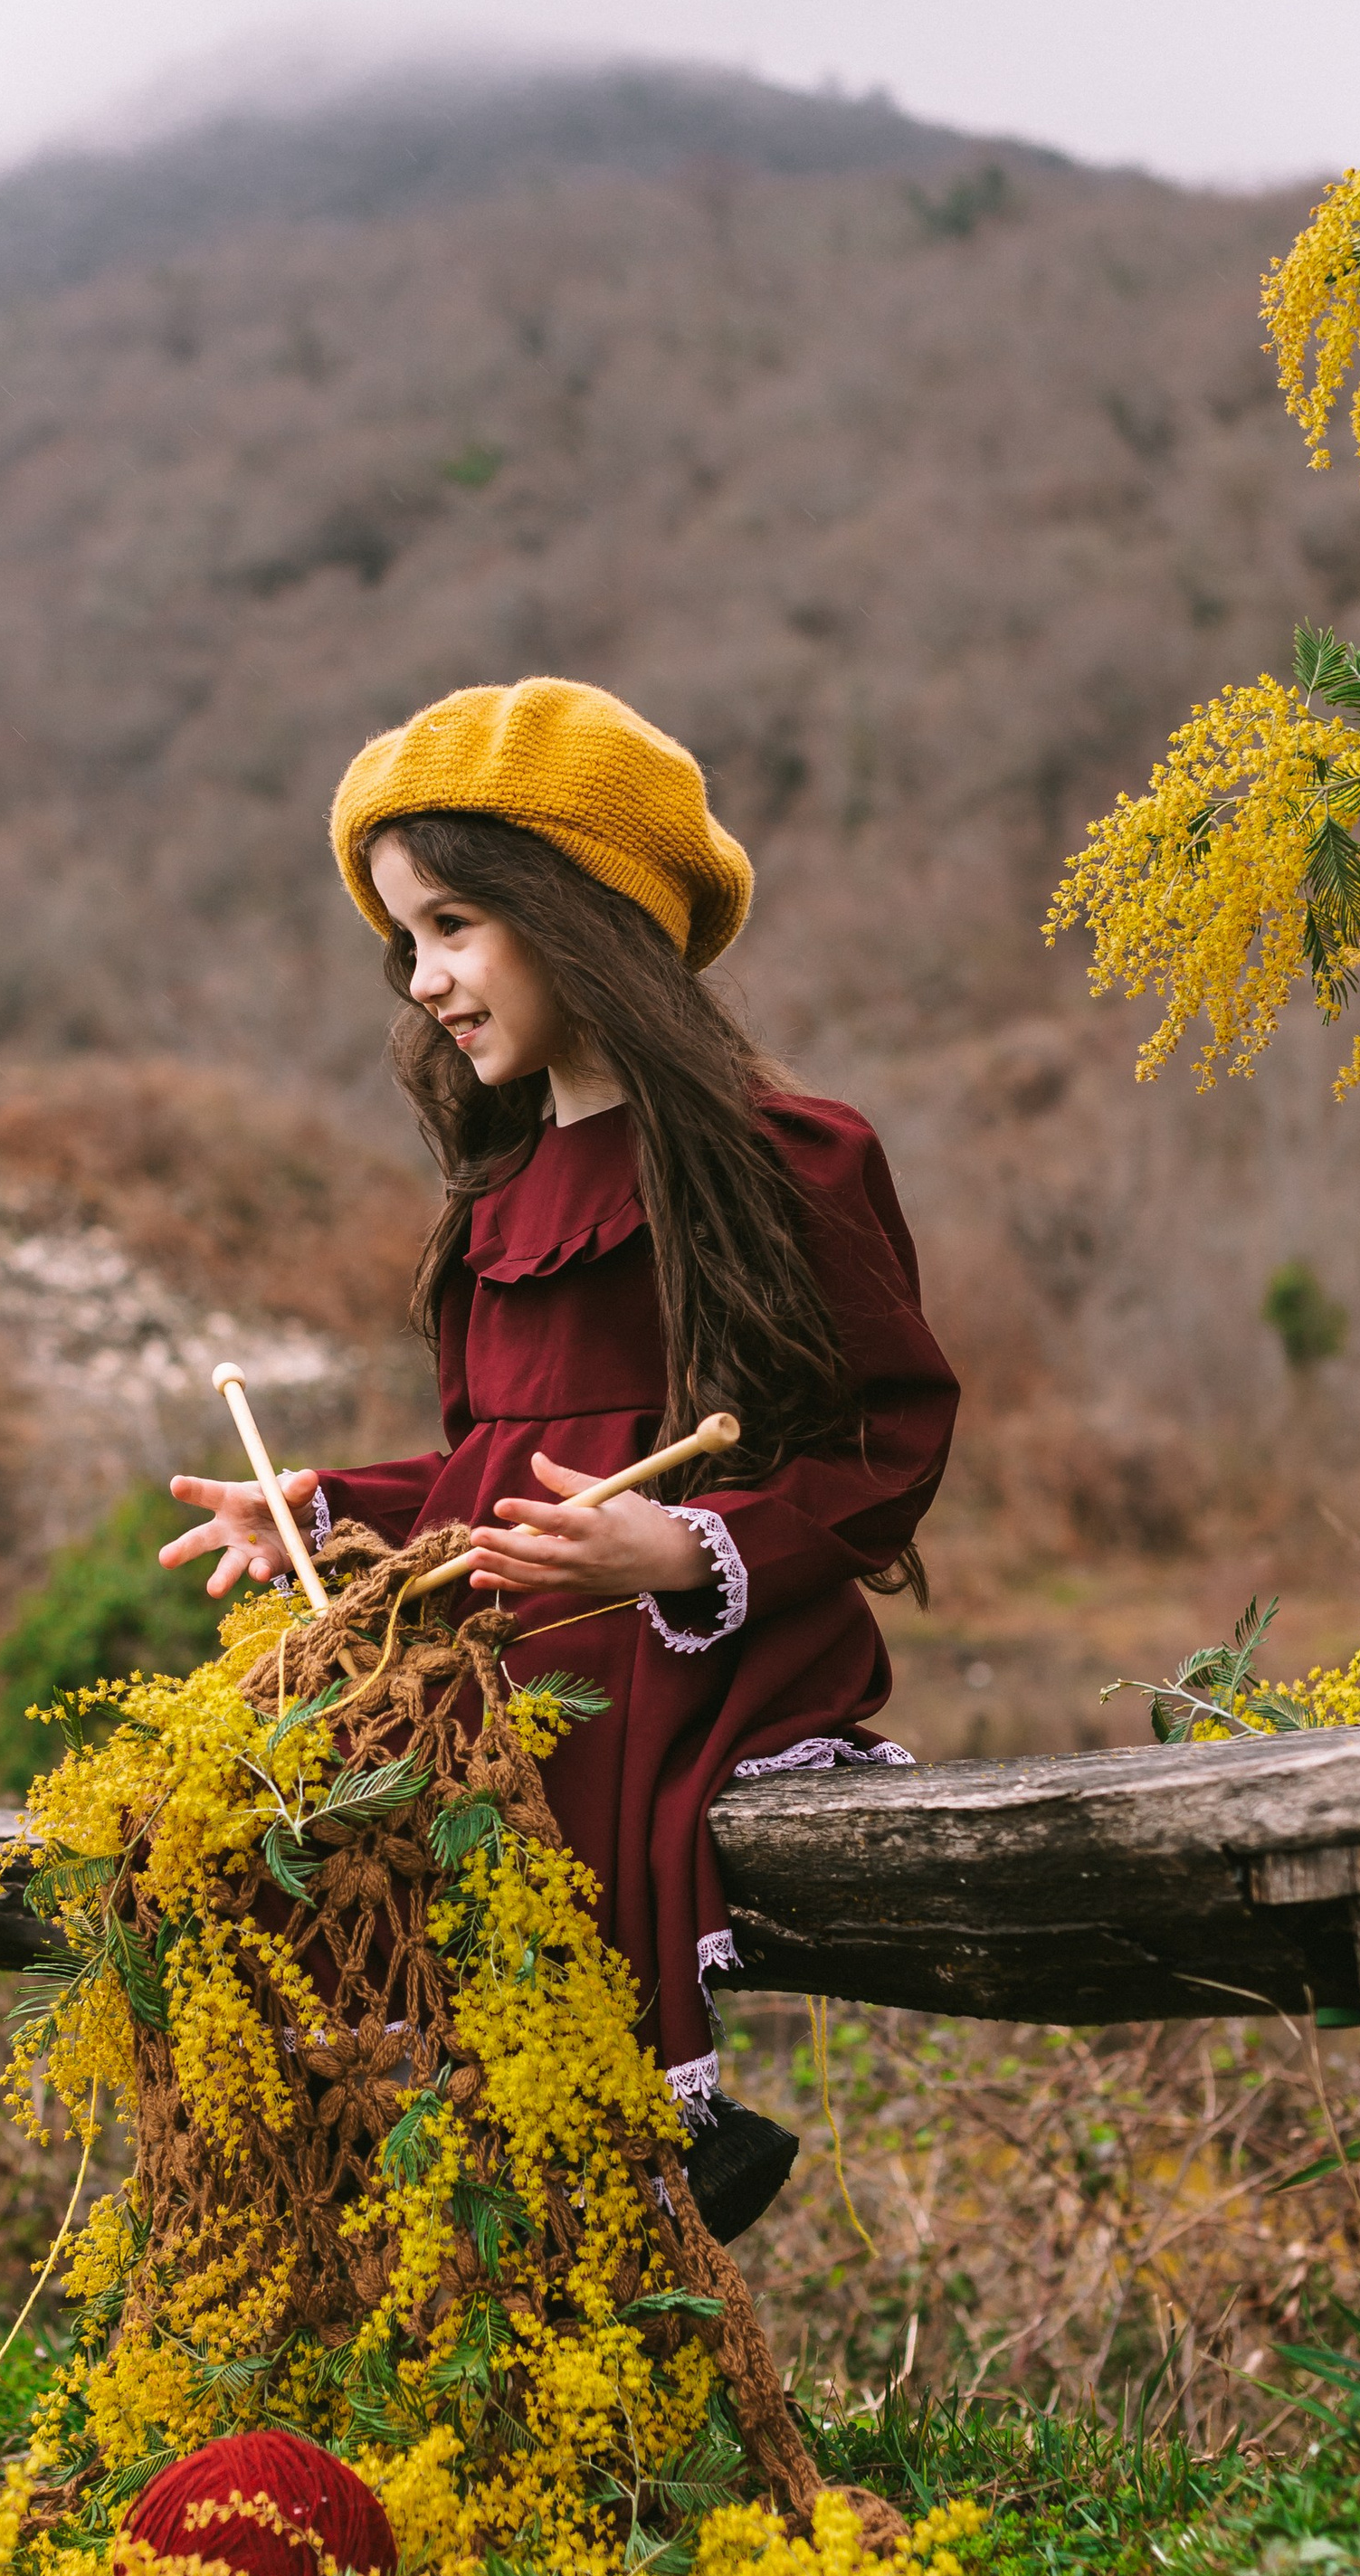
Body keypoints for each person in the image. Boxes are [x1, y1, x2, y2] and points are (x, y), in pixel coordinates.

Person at [162, 677, 957, 2241]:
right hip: (510, 1621)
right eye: (407, 943)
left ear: (581, 912)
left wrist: (686, 1550)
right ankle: (382, 2184)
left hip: (682, 1641)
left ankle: (620, 2157)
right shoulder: (498, 1199)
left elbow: (887, 1441)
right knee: (269, 1788)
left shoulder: (789, 1160)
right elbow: (495, 1470)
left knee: (511, 1761)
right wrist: (322, 1505)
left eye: (454, 925)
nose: (426, 981)